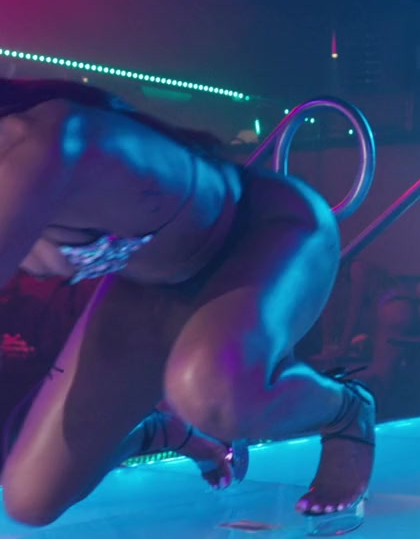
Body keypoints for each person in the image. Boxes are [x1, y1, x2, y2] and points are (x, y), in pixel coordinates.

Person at [0, 77, 374, 528]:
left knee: (211, 393)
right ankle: (164, 431)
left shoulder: (37, 142)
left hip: (263, 234)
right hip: (145, 289)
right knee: (29, 500)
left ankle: (347, 410)